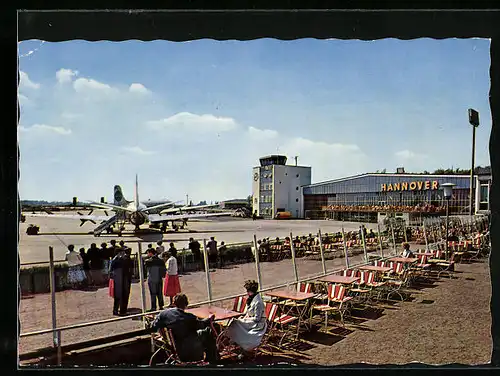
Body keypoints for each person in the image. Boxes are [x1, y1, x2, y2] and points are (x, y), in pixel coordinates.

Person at [149, 293, 219, 364]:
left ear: (174, 303)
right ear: (186, 304)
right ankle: (212, 359)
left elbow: (154, 325)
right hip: (187, 348)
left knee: (201, 332)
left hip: (172, 345)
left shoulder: (164, 314)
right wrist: (209, 319)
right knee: (208, 331)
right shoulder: (188, 318)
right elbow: (201, 324)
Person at [225, 280, 267, 358]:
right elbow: (249, 313)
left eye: (248, 291)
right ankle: (236, 341)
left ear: (252, 291)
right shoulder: (252, 299)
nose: (247, 293)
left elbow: (257, 318)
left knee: (236, 323)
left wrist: (245, 320)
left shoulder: (258, 302)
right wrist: (244, 318)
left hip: (258, 324)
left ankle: (241, 345)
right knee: (234, 322)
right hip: (252, 321)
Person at [109, 248, 134, 316]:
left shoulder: (117, 260)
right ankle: (119, 310)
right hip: (120, 280)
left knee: (119, 296)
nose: (123, 254)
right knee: (120, 296)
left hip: (120, 280)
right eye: (122, 252)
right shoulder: (118, 260)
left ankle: (117, 310)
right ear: (119, 253)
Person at [145, 247, 167, 311]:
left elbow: (145, 269)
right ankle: (161, 306)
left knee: (153, 293)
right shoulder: (160, 260)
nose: (147, 254)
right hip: (159, 278)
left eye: (148, 253)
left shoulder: (148, 261)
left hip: (151, 279)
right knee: (159, 293)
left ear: (151, 253)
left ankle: (153, 307)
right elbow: (164, 271)